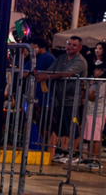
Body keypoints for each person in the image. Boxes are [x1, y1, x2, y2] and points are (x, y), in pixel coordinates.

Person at [36, 36, 88, 164]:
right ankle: (57, 153)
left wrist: (47, 76)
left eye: (74, 45)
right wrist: (46, 75)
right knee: (56, 126)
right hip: (57, 98)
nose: (70, 47)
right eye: (69, 44)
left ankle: (71, 153)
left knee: (72, 127)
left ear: (80, 47)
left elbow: (67, 74)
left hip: (71, 99)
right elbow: (50, 71)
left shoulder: (80, 61)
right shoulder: (61, 58)